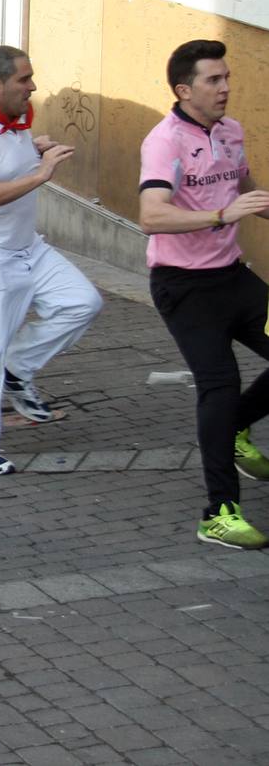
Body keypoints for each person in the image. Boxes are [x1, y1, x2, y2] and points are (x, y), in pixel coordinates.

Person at [0, 46, 101, 475]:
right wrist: (41, 172)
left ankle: (18, 367)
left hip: (27, 247)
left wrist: (33, 149)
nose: (32, 87)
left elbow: (5, 160)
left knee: (81, 302)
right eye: (24, 79)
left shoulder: (13, 123)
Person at [139, 39, 269, 549]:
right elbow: (152, 215)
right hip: (184, 287)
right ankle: (218, 514)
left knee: (227, 405)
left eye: (227, 77)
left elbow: (243, 188)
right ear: (184, 90)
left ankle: (235, 428)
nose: (225, 87)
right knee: (220, 385)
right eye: (214, 80)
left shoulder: (230, 131)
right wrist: (219, 215)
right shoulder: (164, 142)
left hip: (232, 276)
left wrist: (252, 205)